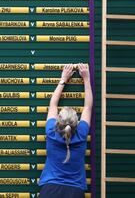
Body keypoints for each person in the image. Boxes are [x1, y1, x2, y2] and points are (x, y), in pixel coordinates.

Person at [38, 63, 93, 198]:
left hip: (50, 190)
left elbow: (53, 104)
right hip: (75, 191)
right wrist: (86, 78)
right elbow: (88, 107)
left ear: (58, 121)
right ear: (77, 123)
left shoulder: (51, 132)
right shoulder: (81, 133)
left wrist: (63, 79)